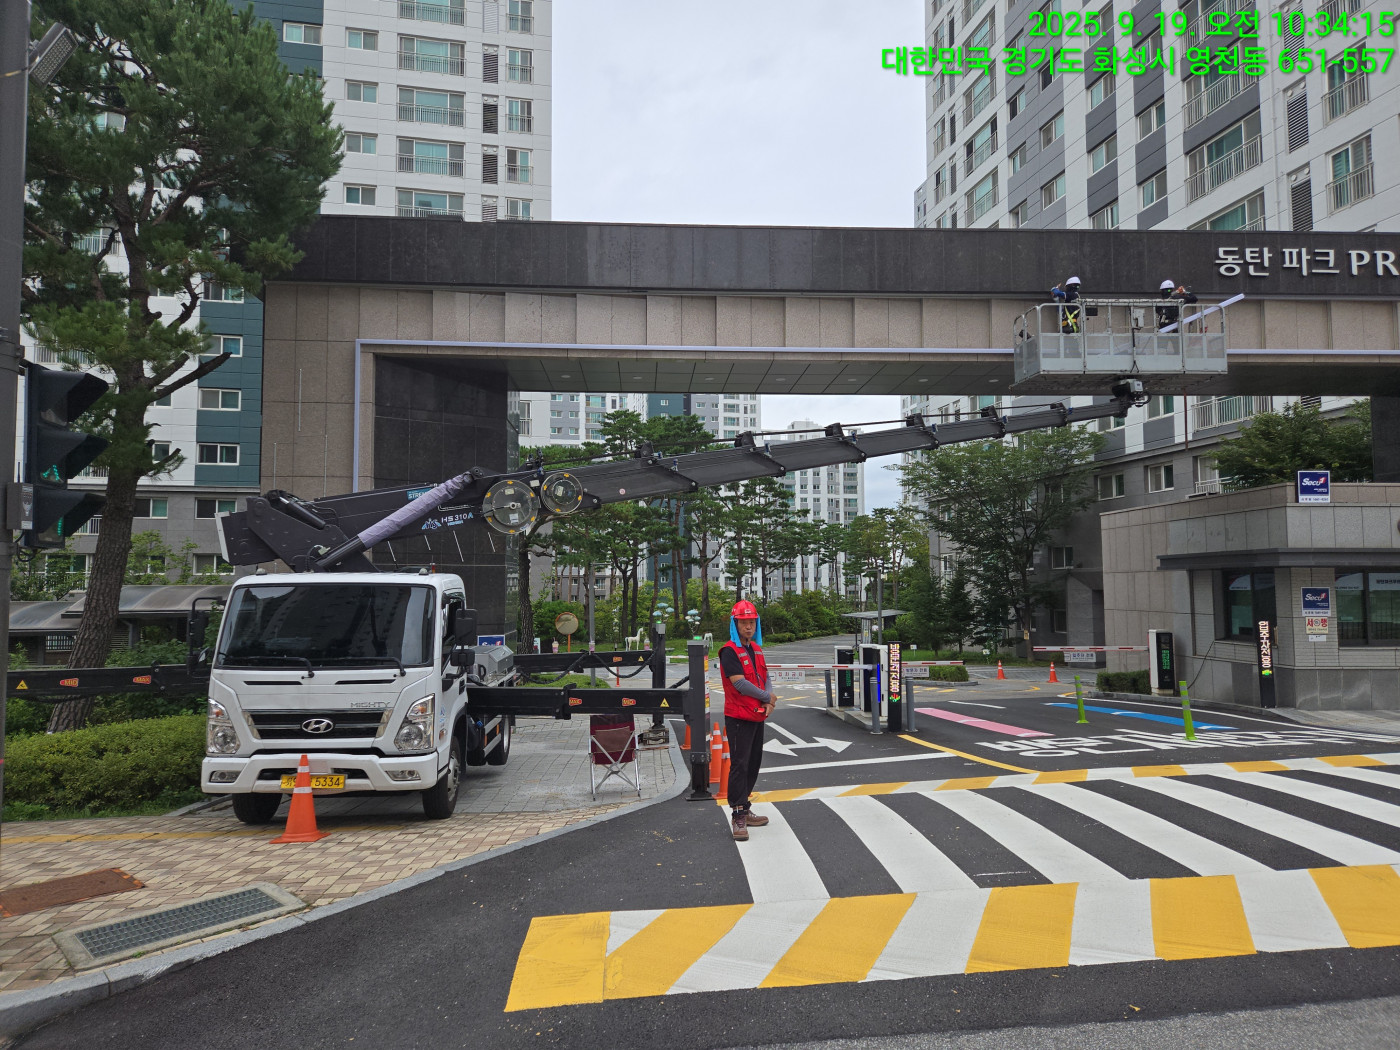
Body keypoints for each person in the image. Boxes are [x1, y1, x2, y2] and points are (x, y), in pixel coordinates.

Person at [719, 599, 775, 841]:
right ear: (735, 624)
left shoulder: (757, 649)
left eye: (752, 622)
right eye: (743, 622)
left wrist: (769, 701)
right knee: (739, 765)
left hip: (756, 714)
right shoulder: (729, 651)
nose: (748, 626)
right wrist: (767, 697)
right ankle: (738, 814)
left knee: (753, 763)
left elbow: (765, 677)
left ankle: (745, 806)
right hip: (738, 716)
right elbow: (739, 683)